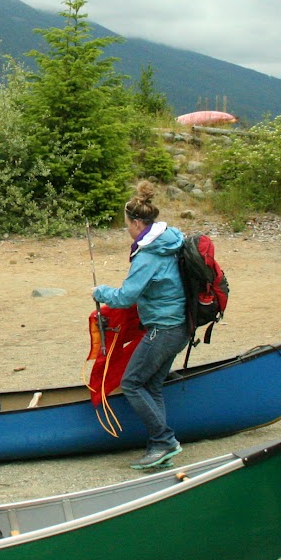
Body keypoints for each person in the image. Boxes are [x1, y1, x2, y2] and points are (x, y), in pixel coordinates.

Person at [92, 181, 193, 471]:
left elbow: (126, 297)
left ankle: (164, 441)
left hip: (163, 329)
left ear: (137, 223)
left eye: (127, 225)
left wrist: (100, 292)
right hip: (180, 325)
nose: (127, 230)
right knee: (152, 385)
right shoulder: (170, 241)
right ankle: (159, 447)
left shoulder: (148, 254)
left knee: (132, 383)